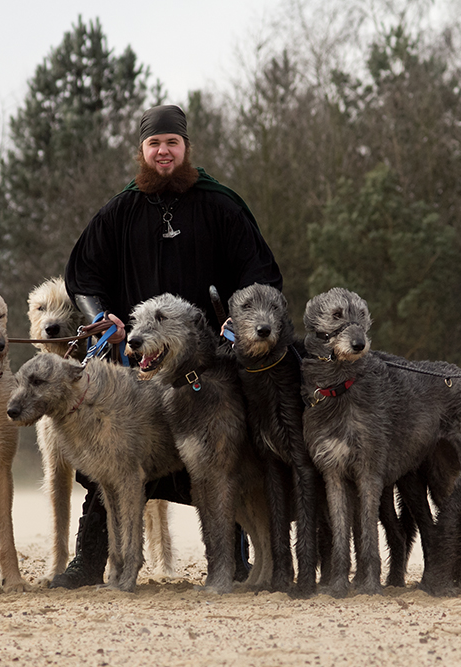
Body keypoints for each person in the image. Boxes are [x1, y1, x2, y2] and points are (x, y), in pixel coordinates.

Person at [56, 104, 283, 589]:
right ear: (142, 150)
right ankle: (89, 558)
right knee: (111, 455)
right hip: (134, 361)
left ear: (185, 148)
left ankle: (235, 559)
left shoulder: (220, 205)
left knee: (224, 457)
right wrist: (102, 316)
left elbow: (258, 275)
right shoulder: (120, 210)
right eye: (154, 144)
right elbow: (82, 275)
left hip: (210, 364)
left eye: (172, 143)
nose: (163, 151)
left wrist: (236, 323)